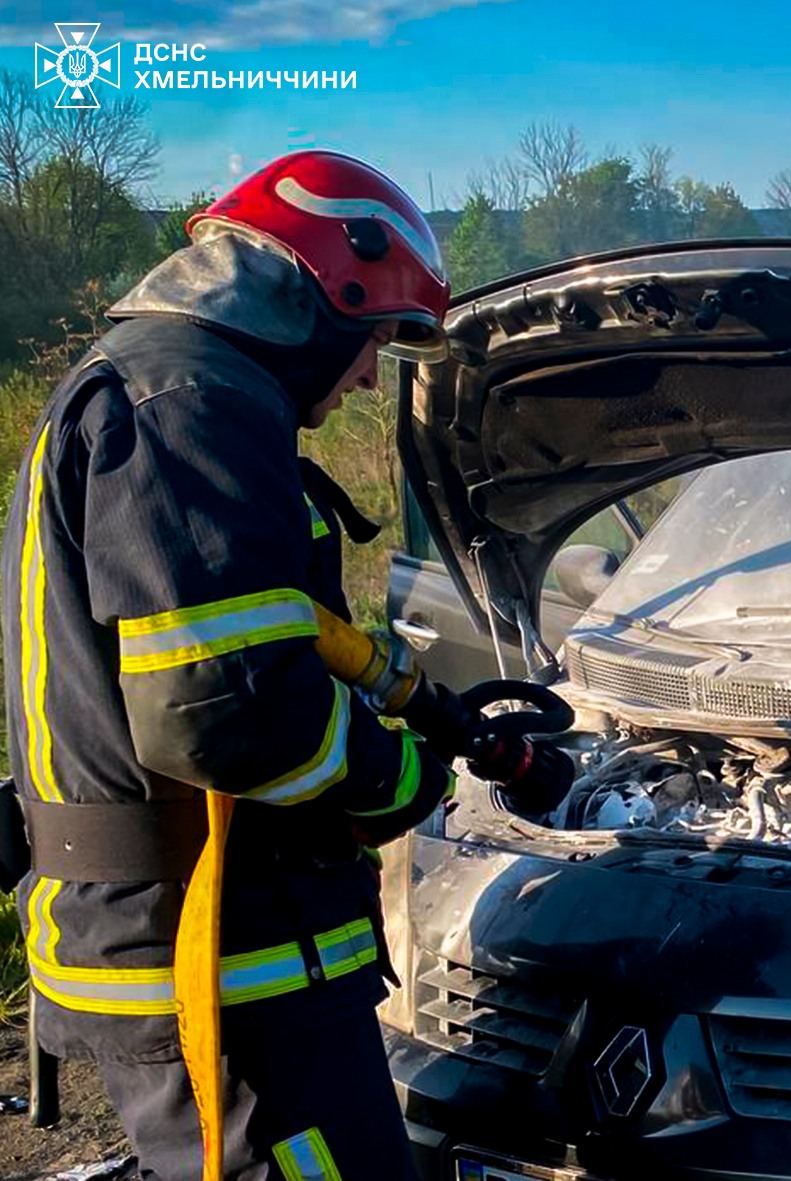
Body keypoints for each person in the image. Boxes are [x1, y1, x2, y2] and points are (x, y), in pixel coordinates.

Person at [2, 151, 460, 1181]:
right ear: (331, 292)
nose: (365, 377)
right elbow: (225, 710)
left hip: (203, 938)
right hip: (218, 957)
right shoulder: (192, 398)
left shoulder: (165, 384)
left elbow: (250, 646)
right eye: (374, 340)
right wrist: (397, 778)